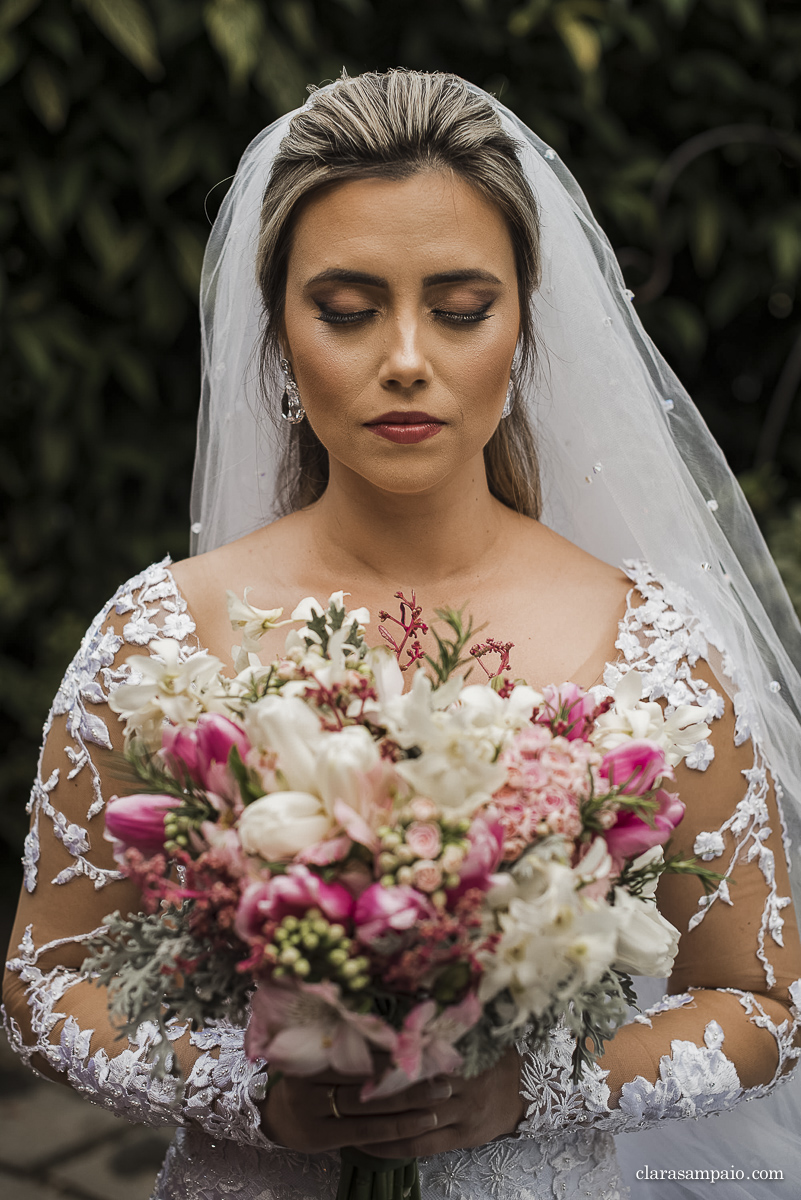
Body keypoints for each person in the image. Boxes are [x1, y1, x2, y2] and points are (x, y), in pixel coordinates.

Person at [4, 69, 801, 1200]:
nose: (409, 357)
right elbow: (45, 979)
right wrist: (252, 1090)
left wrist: (534, 1087)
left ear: (524, 324)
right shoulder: (157, 641)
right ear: (278, 334)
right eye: (347, 308)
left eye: (463, 307)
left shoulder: (654, 650)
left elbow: (764, 1002)